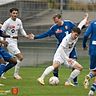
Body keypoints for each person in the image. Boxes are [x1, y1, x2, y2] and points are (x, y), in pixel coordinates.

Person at [31, 13, 88, 85]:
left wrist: (85, 18)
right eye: (75, 34)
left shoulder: (71, 27)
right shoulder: (66, 38)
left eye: (77, 35)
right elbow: (61, 49)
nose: (76, 36)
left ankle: (68, 81)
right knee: (55, 66)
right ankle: (41, 78)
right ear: (72, 32)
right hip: (60, 54)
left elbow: (80, 25)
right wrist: (67, 59)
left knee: (80, 68)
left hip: (67, 55)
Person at [1, 8, 32, 80]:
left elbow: (21, 29)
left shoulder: (19, 21)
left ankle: (2, 72)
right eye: (13, 13)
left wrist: (26, 35)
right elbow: (1, 31)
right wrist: (2, 41)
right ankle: (16, 74)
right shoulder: (7, 22)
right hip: (9, 42)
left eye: (16, 13)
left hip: (15, 42)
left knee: (12, 60)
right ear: (10, 14)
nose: (15, 14)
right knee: (20, 57)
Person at [83, 19, 96, 96]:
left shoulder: (93, 23)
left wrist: (84, 45)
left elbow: (85, 35)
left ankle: (89, 76)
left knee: (94, 70)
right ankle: (92, 91)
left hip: (93, 50)